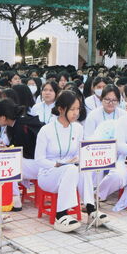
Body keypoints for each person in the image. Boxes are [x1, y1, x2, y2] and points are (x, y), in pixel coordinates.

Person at [34, 90, 87, 232]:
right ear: (61, 109)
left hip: (70, 171)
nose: (76, 113)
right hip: (48, 174)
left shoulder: (78, 128)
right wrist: (57, 164)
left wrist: (77, 160)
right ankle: (61, 215)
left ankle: (91, 207)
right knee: (70, 169)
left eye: (78, 109)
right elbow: (39, 160)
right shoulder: (46, 130)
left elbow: (79, 152)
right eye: (73, 109)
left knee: (83, 167)